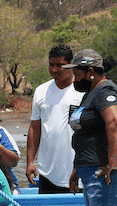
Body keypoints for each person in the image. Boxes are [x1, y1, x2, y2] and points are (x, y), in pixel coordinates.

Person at [67, 49, 117, 206]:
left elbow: (114, 121)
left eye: (76, 75)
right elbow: (86, 134)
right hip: (91, 169)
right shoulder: (90, 94)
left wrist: (111, 163)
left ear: (91, 71)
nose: (74, 80)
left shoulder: (105, 91)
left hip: (108, 169)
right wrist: (76, 169)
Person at [25, 44, 80, 194]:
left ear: (71, 64)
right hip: (47, 173)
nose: (54, 70)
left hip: (78, 174)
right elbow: (35, 128)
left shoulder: (83, 91)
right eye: (51, 64)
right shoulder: (41, 91)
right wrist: (30, 162)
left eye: (60, 65)